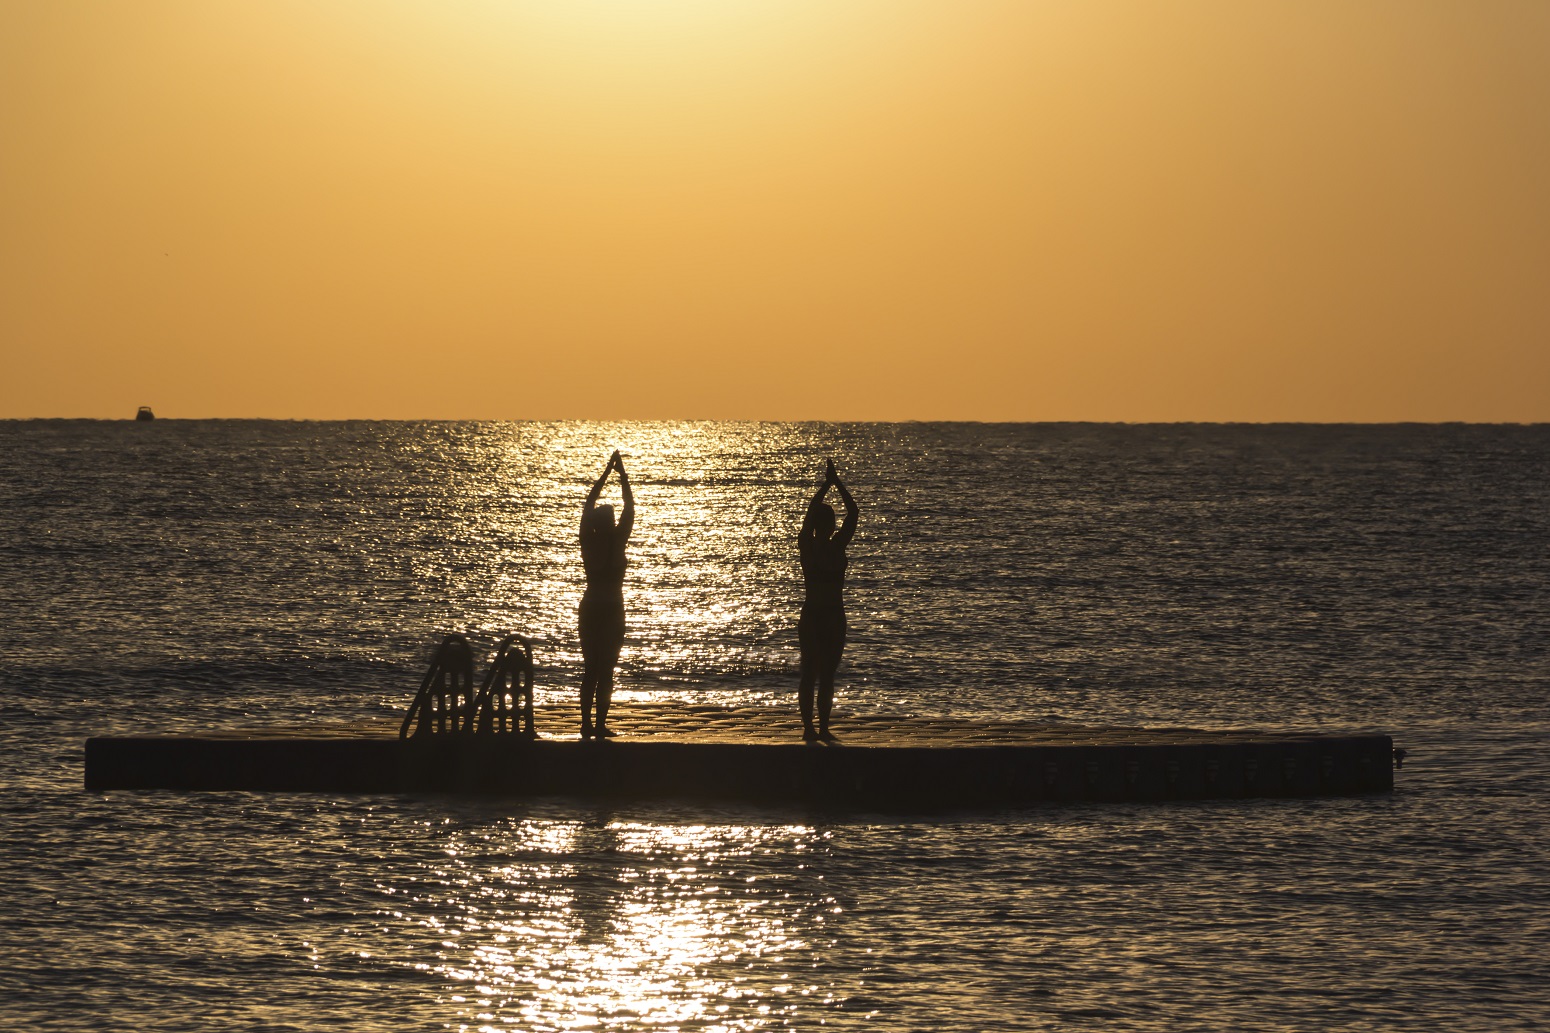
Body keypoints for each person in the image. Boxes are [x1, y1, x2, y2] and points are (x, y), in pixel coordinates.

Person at [797, 458, 858, 742]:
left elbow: (811, 515)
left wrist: (825, 487)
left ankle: (811, 728)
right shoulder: (836, 547)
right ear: (831, 525)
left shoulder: (807, 547)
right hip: (831, 616)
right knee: (826, 675)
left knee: (809, 672)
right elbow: (854, 514)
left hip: (815, 615)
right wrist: (836, 484)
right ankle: (820, 728)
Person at [579, 450, 633, 738]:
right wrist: (621, 474)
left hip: (591, 608)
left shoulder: (588, 541)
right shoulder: (618, 541)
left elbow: (588, 505)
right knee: (605, 670)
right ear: (609, 523)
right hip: (611, 609)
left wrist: (605, 475)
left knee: (592, 668)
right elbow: (630, 506)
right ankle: (596, 725)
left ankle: (589, 724)